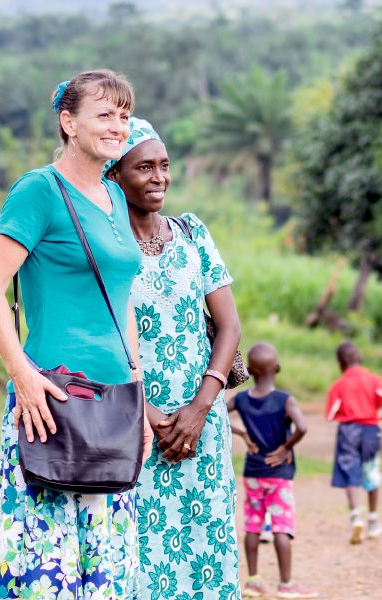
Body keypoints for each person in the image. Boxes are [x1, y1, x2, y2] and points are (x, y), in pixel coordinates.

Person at [0, 70, 152, 599]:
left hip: (115, 397)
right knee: (45, 564)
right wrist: (22, 377)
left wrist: (139, 395)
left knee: (107, 566)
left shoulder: (115, 198)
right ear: (68, 122)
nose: (118, 126)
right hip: (49, 394)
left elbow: (123, 307)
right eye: (105, 115)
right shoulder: (38, 191)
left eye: (124, 116)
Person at [104, 118, 243, 600]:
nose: (159, 177)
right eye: (144, 167)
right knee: (136, 553)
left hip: (201, 425)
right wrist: (146, 414)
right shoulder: (104, 245)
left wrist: (200, 409)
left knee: (207, 547)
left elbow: (229, 326)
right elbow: (102, 336)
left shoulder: (192, 233)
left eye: (164, 165)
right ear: (114, 174)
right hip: (132, 428)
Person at [228, 343, 319, 599]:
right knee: (281, 528)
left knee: (253, 526)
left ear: (249, 370)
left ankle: (254, 581)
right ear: (277, 368)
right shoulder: (284, 400)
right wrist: (285, 448)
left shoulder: (242, 399)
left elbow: (218, 413)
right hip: (279, 474)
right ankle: (286, 584)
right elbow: (302, 427)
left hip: (253, 472)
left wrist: (242, 433)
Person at [324, 341, 382, 544]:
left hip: (348, 431)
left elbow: (331, 415)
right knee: (371, 470)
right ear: (360, 358)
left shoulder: (338, 385)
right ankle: (373, 519)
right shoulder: (374, 380)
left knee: (350, 471)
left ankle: (356, 516)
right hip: (371, 431)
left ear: (340, 364)